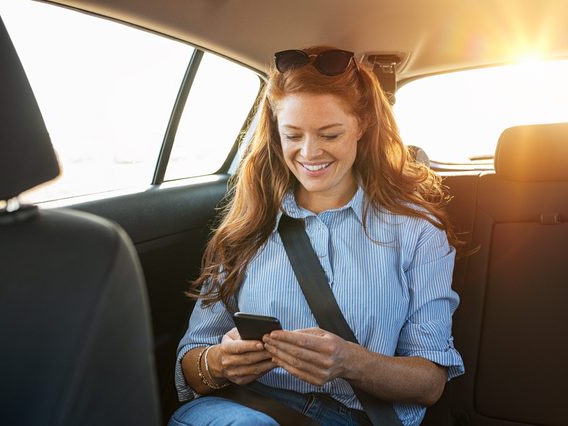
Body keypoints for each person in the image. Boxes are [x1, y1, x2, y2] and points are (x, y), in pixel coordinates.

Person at [169, 46, 464, 426]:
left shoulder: (418, 232)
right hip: (243, 407)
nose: (309, 153)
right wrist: (219, 362)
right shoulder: (248, 224)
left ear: (363, 125)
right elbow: (191, 363)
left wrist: (351, 362)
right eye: (293, 135)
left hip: (355, 416)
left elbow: (429, 383)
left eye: (329, 134)